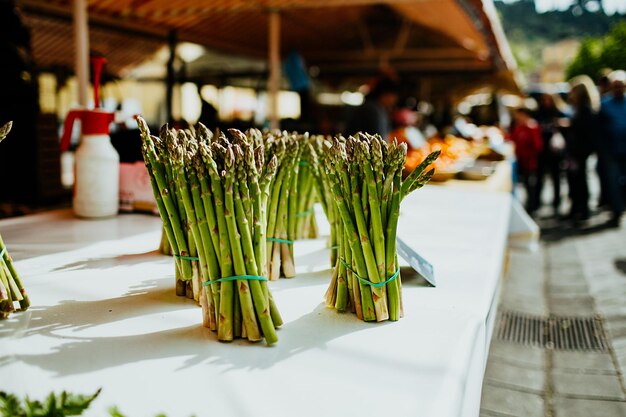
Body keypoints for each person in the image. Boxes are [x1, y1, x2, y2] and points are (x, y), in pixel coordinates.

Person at [566, 76, 600, 223]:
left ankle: (583, 210)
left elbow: (584, 132)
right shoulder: (579, 108)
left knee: (580, 181)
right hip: (578, 150)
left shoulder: (584, 109)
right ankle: (578, 208)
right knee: (576, 180)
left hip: (580, 150)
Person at [598, 70, 626, 226]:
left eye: (621, 86)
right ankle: (617, 210)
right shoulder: (605, 105)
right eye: (615, 86)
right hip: (611, 149)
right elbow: (600, 129)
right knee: (613, 181)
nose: (618, 89)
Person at [534, 93, 566, 216]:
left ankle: (557, 202)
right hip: (542, 151)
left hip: (555, 152)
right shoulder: (538, 114)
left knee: (556, 177)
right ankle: (536, 203)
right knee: (539, 178)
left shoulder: (558, 113)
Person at [510, 108, 543, 215]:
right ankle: (530, 205)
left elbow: (537, 145)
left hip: (530, 160)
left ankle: (533, 206)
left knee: (530, 184)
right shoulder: (519, 127)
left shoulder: (531, 126)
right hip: (521, 159)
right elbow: (513, 139)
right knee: (525, 183)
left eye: (519, 115)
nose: (517, 117)